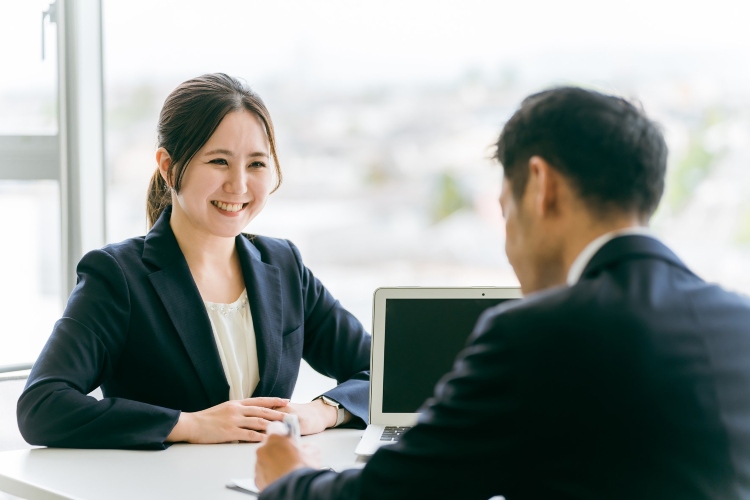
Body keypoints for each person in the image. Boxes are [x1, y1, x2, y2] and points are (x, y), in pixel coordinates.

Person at [254, 87, 750, 499]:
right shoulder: (739, 321)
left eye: (505, 208)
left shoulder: (536, 334)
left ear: (541, 186)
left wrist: (290, 479)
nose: (509, 242)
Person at [17, 73, 371, 450]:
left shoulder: (284, 266)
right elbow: (42, 406)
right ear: (169, 167)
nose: (238, 185)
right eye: (219, 161)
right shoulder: (117, 276)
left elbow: (388, 374)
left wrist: (324, 411)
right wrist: (188, 425)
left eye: (256, 164)